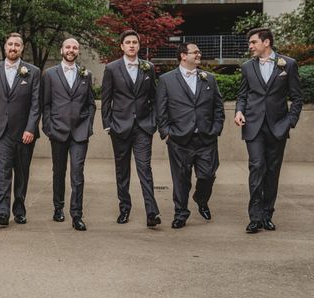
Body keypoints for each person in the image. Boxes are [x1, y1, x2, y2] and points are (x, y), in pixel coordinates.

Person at [235, 27, 303, 234]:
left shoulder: (288, 64)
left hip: (278, 127)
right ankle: (254, 218)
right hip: (253, 126)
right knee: (256, 167)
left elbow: (297, 98)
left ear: (266, 42)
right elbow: (243, 95)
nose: (250, 46)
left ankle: (267, 215)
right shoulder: (247, 67)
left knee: (272, 172)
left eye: (253, 42)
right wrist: (239, 111)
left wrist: (289, 122)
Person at [156, 42, 225, 229]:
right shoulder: (166, 80)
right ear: (183, 56)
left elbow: (218, 107)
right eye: (195, 52)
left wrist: (216, 129)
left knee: (208, 175)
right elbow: (160, 110)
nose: (199, 54)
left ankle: (201, 198)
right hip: (178, 139)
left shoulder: (208, 79)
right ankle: (181, 213)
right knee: (180, 179)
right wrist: (166, 133)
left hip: (206, 138)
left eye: (199, 52)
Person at [101, 29, 161, 228]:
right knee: (122, 171)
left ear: (139, 45)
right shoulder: (111, 68)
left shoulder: (148, 67)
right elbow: (106, 99)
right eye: (128, 42)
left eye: (135, 42)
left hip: (143, 127)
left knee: (145, 169)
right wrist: (108, 126)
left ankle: (152, 212)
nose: (132, 45)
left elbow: (155, 97)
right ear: (122, 46)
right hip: (119, 127)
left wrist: (152, 122)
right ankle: (124, 208)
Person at [0, 33, 41, 226]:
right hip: (0, 131)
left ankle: (19, 209)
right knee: (3, 170)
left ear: (22, 48)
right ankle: (2, 212)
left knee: (22, 172)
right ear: (5, 47)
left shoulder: (33, 72)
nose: (13, 47)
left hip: (24, 132)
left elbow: (35, 104)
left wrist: (31, 128)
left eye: (17, 45)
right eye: (10, 44)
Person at [41, 38, 96, 231]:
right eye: (68, 47)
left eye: (75, 48)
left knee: (77, 173)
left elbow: (91, 103)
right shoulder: (49, 75)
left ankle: (77, 214)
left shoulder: (86, 74)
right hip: (57, 130)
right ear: (61, 49)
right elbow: (45, 104)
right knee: (59, 171)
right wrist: (48, 127)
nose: (71, 50)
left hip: (80, 132)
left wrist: (88, 125)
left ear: (78, 51)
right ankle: (58, 207)